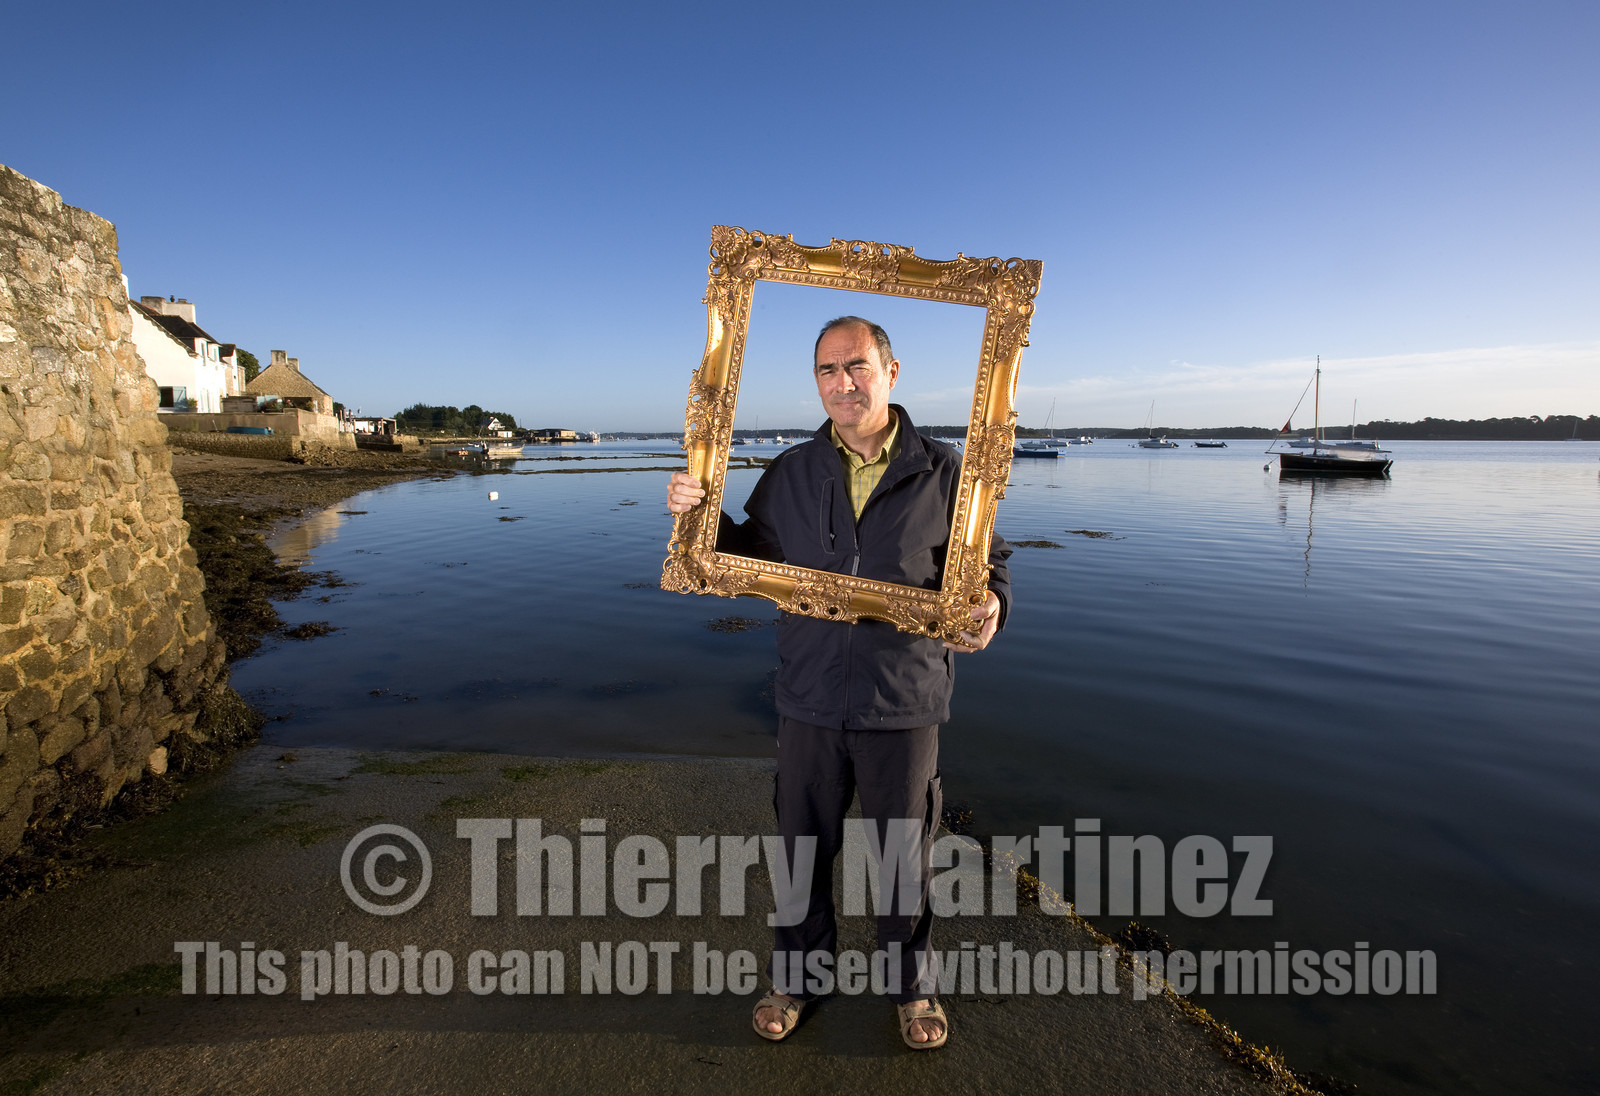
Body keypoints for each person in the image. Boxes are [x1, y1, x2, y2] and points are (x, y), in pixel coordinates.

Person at [666, 316, 1012, 1050]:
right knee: (801, 852)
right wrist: (699, 518)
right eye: (827, 370)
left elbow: (989, 567)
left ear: (891, 372)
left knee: (904, 859)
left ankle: (912, 988)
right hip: (810, 696)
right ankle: (797, 979)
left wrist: (992, 605)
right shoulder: (792, 471)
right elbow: (748, 557)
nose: (842, 382)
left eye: (856, 366)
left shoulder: (948, 471)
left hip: (904, 698)